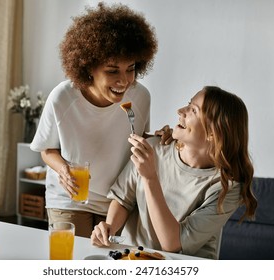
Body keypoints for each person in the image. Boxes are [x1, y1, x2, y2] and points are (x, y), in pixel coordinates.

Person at [30, 2, 172, 238]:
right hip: (70, 199)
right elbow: (47, 149)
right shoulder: (63, 98)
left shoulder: (141, 97)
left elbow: (136, 139)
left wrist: (160, 139)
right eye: (112, 70)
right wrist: (64, 170)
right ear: (88, 67)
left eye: (131, 69)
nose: (124, 81)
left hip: (117, 200)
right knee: (72, 263)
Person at [91, 86, 258, 259]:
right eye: (188, 104)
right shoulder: (154, 148)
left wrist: (150, 177)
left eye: (193, 110)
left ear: (213, 133)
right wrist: (109, 227)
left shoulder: (226, 187)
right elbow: (123, 199)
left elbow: (172, 244)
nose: (180, 111)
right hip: (132, 258)